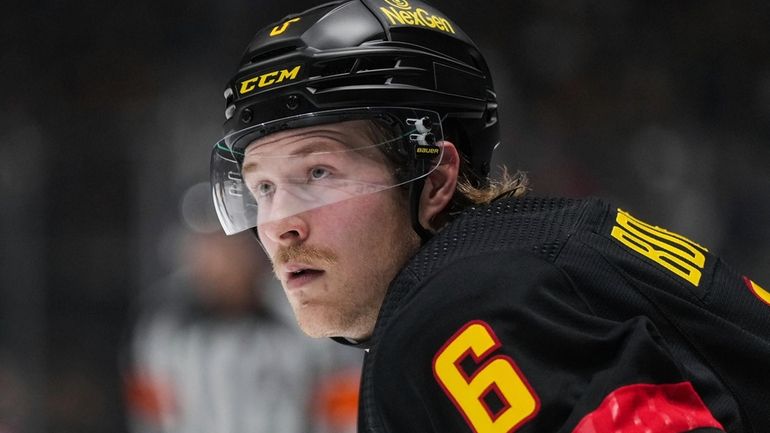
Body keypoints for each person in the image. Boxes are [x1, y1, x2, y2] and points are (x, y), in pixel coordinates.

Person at [209, 1, 770, 432]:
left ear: (435, 178)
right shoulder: (537, 253)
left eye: (318, 174)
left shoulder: (458, 308)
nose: (281, 223)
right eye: (262, 186)